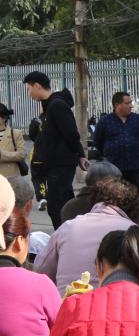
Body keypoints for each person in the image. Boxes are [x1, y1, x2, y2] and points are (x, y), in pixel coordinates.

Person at [35, 178, 139, 293]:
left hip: (68, 300)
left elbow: (40, 269)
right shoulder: (136, 233)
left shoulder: (69, 226)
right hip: (119, 301)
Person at [22, 71, 87, 228]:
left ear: (37, 86)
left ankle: (64, 235)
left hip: (61, 164)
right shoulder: (49, 106)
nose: (29, 94)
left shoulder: (57, 105)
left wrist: (79, 155)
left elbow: (71, 133)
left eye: (29, 89)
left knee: (57, 206)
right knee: (65, 203)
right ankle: (72, 233)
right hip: (55, 164)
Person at [92, 92, 139, 189]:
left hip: (134, 166)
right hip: (113, 168)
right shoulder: (105, 121)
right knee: (114, 193)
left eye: (131, 103)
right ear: (117, 105)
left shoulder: (137, 119)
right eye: (127, 103)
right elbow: (97, 142)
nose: (131, 106)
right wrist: (110, 151)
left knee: (137, 193)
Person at [0, 103, 27, 179]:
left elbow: (22, 155)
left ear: (4, 117)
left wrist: (3, 155)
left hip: (11, 178)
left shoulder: (15, 133)